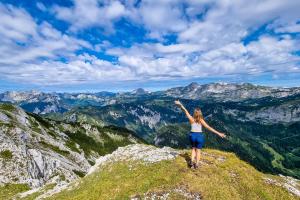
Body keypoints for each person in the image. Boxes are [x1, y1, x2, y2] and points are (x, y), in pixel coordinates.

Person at [175, 100, 226, 169]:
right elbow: (209, 127)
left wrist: (180, 104)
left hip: (192, 136)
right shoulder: (201, 120)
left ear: (194, 113)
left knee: (193, 149)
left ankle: (191, 161)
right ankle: (197, 164)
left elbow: (185, 110)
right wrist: (219, 133)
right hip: (199, 136)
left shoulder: (191, 119)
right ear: (200, 113)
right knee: (198, 150)